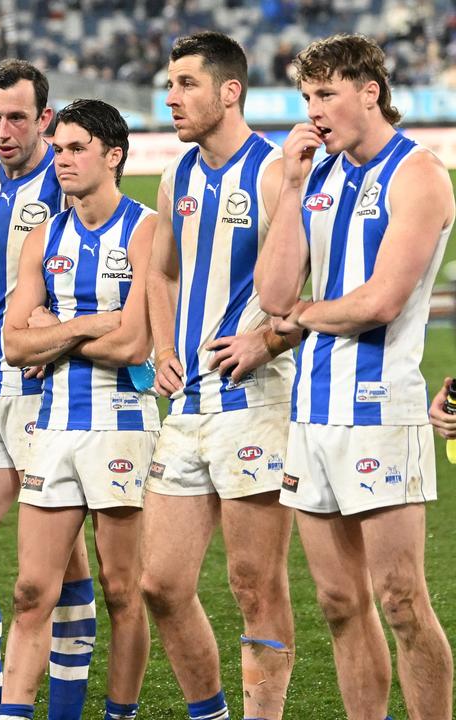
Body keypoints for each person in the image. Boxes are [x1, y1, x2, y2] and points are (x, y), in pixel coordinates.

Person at [255, 33, 454, 720]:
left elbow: (380, 302)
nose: (314, 111)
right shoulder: (322, 175)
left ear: (370, 92)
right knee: (340, 602)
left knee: (400, 599)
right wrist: (290, 183)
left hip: (379, 408)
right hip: (311, 412)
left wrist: (303, 316)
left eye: (327, 94)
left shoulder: (418, 174)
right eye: (307, 96)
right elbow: (275, 294)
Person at [141, 32, 302, 720]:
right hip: (187, 403)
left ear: (229, 90)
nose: (170, 97)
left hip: (256, 398)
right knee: (160, 584)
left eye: (185, 83)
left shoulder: (274, 172)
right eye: (169, 84)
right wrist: (159, 344)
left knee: (253, 583)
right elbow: (163, 269)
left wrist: (267, 339)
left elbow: (312, 287)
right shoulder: (176, 175)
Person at [0, 58, 100, 720]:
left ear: (45, 120)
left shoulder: (64, 180)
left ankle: (58, 710)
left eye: (18, 118)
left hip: (47, 393)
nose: (3, 131)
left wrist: (54, 338)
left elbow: (92, 275)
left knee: (57, 574)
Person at [0, 99, 157, 720]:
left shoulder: (146, 228)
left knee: (123, 590)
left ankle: (120, 713)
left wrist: (56, 331)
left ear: (112, 155)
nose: (61, 160)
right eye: (58, 148)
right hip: (53, 425)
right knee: (32, 590)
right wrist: (94, 322)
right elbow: (13, 344)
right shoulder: (44, 236)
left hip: (123, 426)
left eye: (75, 149)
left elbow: (136, 344)